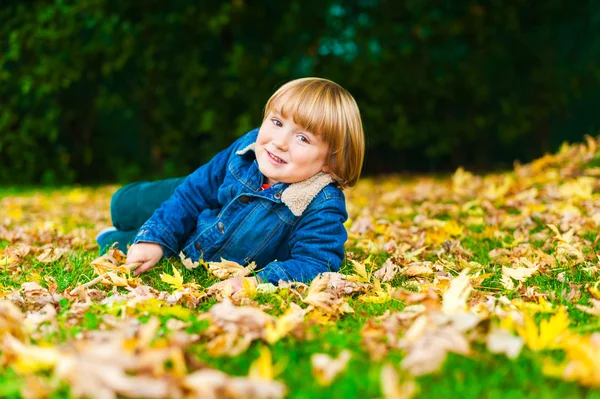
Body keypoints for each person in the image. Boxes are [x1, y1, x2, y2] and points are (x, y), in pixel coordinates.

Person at [97, 77, 365, 292]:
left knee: (114, 243)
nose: (280, 142)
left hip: (197, 238)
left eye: (303, 138)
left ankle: (125, 233)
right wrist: (155, 236)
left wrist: (256, 283)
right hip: (196, 195)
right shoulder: (246, 149)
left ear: (331, 162)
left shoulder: (321, 204)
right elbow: (193, 194)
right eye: (276, 122)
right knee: (121, 205)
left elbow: (316, 263)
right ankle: (140, 222)